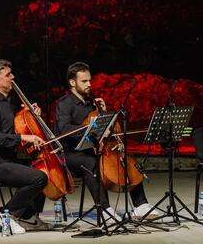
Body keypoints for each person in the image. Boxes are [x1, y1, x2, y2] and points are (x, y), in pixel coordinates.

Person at [53, 62, 151, 221]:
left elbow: (105, 129)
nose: (89, 84)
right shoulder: (64, 104)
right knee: (91, 162)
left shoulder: (91, 103)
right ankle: (104, 209)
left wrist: (103, 112)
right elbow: (64, 129)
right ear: (72, 82)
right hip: (70, 154)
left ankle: (141, 205)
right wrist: (88, 129)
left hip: (92, 150)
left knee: (126, 159)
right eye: (84, 81)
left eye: (89, 80)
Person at [0, 59, 50, 233]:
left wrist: (29, 113)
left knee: (44, 169)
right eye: (8, 75)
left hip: (4, 159)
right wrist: (24, 138)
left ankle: (28, 217)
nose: (13, 77)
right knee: (38, 178)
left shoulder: (7, 101)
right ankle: (6, 213)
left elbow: (15, 125)